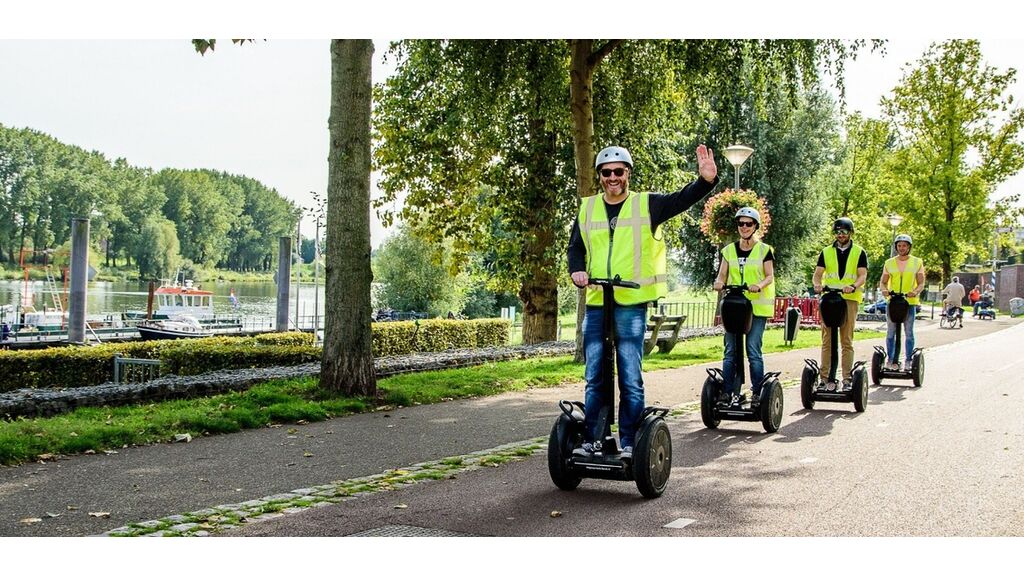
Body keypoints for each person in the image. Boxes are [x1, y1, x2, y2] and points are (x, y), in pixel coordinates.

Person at [567, 144, 718, 458]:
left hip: (632, 302)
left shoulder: (646, 205)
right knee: (594, 374)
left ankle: (628, 441)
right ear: (599, 176)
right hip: (597, 300)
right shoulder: (587, 208)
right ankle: (593, 439)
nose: (612, 178)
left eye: (618, 172)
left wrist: (704, 182)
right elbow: (575, 248)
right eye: (606, 173)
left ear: (627, 174)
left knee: (629, 375)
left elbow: (681, 199)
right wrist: (577, 270)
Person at [712, 207, 775, 407]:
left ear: (755, 226)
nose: (744, 227)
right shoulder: (729, 250)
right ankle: (728, 392)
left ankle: (757, 392)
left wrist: (759, 285)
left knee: (753, 349)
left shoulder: (765, 250)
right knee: (730, 350)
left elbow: (769, 276)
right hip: (735, 307)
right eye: (741, 223)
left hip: (756, 307)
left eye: (749, 224)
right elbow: (722, 274)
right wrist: (718, 282)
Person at [812, 217, 868, 389]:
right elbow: (818, 274)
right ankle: (824, 378)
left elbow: (862, 275)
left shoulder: (859, 252)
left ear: (850, 233)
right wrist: (817, 285)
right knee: (827, 339)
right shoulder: (826, 252)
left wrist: (853, 286)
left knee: (846, 340)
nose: (840, 235)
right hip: (829, 299)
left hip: (849, 299)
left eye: (844, 231)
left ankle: (846, 378)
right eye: (837, 232)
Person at [879, 234, 925, 370]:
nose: (901, 248)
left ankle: (909, 360)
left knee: (909, 332)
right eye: (899, 245)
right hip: (893, 302)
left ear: (909, 247)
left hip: (909, 302)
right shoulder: (889, 263)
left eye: (904, 245)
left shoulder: (917, 262)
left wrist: (915, 291)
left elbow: (921, 282)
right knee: (890, 332)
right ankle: (891, 359)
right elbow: (883, 282)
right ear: (896, 247)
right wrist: (884, 290)